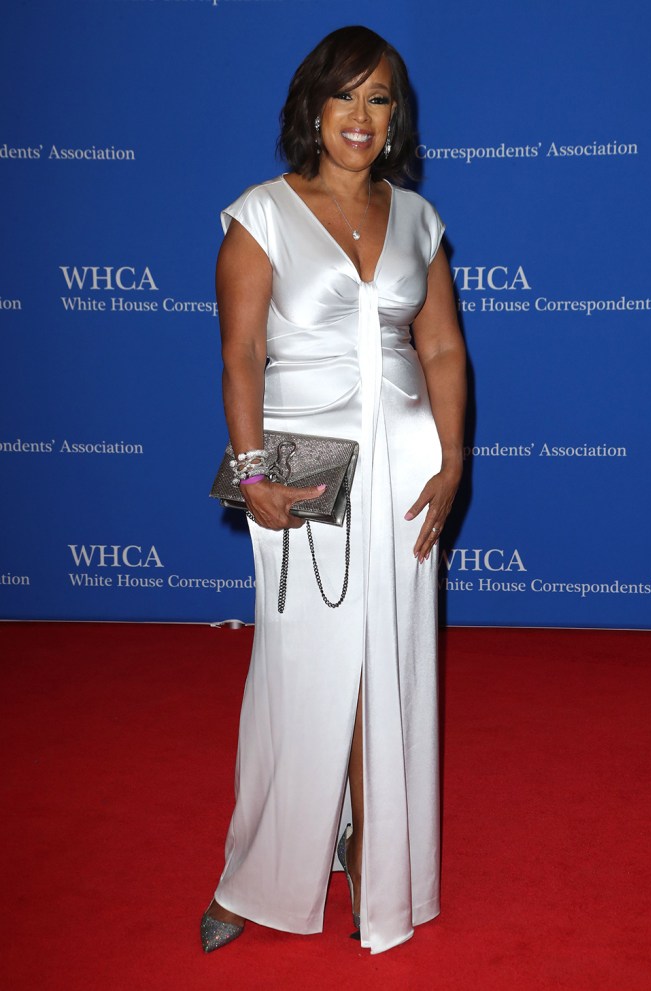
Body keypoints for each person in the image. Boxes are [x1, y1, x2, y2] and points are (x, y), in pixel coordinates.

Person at [202, 25, 466, 955]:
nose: (361, 115)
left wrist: (453, 456)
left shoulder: (419, 220)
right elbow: (241, 355)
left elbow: (437, 346)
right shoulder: (263, 215)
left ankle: (369, 848)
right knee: (299, 669)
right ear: (313, 106)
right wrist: (250, 472)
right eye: (345, 95)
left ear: (396, 118)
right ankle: (262, 865)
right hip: (301, 472)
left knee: (386, 665)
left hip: (401, 471)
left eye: (380, 97)